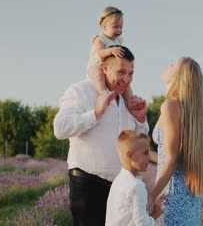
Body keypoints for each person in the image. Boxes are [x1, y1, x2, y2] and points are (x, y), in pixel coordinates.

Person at [54, 47, 149, 226]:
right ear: (104, 68)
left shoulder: (128, 101)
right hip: (89, 186)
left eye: (130, 74)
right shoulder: (81, 91)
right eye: (121, 72)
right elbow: (60, 128)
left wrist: (141, 120)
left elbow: (139, 142)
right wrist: (95, 113)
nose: (126, 80)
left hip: (122, 188)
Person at [148, 57, 203, 226]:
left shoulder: (171, 105)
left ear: (178, 76)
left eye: (173, 64)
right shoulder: (187, 111)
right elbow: (168, 155)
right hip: (187, 196)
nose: (169, 65)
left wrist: (152, 195)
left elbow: (172, 160)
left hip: (171, 194)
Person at [106, 130, 165, 226]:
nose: (149, 157)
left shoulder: (119, 180)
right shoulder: (136, 186)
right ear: (130, 156)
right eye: (145, 153)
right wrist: (155, 214)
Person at [87, 6, 133, 101]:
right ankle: (104, 94)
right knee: (99, 75)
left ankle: (131, 100)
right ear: (104, 28)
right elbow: (100, 53)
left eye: (121, 27)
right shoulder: (100, 39)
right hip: (97, 67)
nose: (119, 30)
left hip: (110, 69)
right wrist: (111, 51)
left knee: (124, 81)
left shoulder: (118, 40)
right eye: (115, 27)